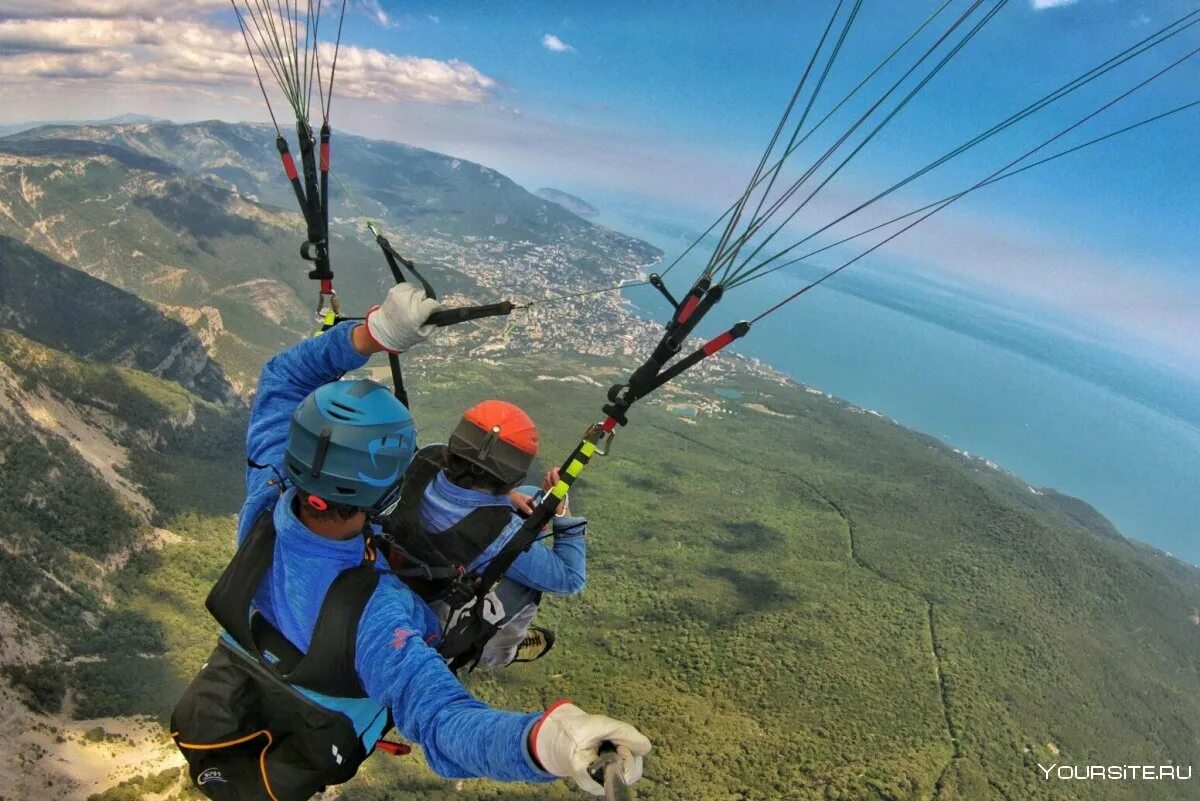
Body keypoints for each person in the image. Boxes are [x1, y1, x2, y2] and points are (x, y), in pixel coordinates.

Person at [171, 284, 650, 801]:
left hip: (270, 652)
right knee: (499, 601)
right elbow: (440, 717)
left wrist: (369, 334)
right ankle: (501, 649)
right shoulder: (379, 615)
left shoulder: (264, 497)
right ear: (388, 491)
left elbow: (282, 378)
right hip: (346, 665)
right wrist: (541, 743)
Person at [382, 400, 587, 669]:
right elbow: (571, 578)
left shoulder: (426, 457)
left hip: (400, 560)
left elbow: (465, 477)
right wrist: (562, 512)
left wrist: (509, 496)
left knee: (529, 496)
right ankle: (499, 651)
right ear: (511, 476)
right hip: (438, 601)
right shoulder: (499, 537)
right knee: (527, 585)